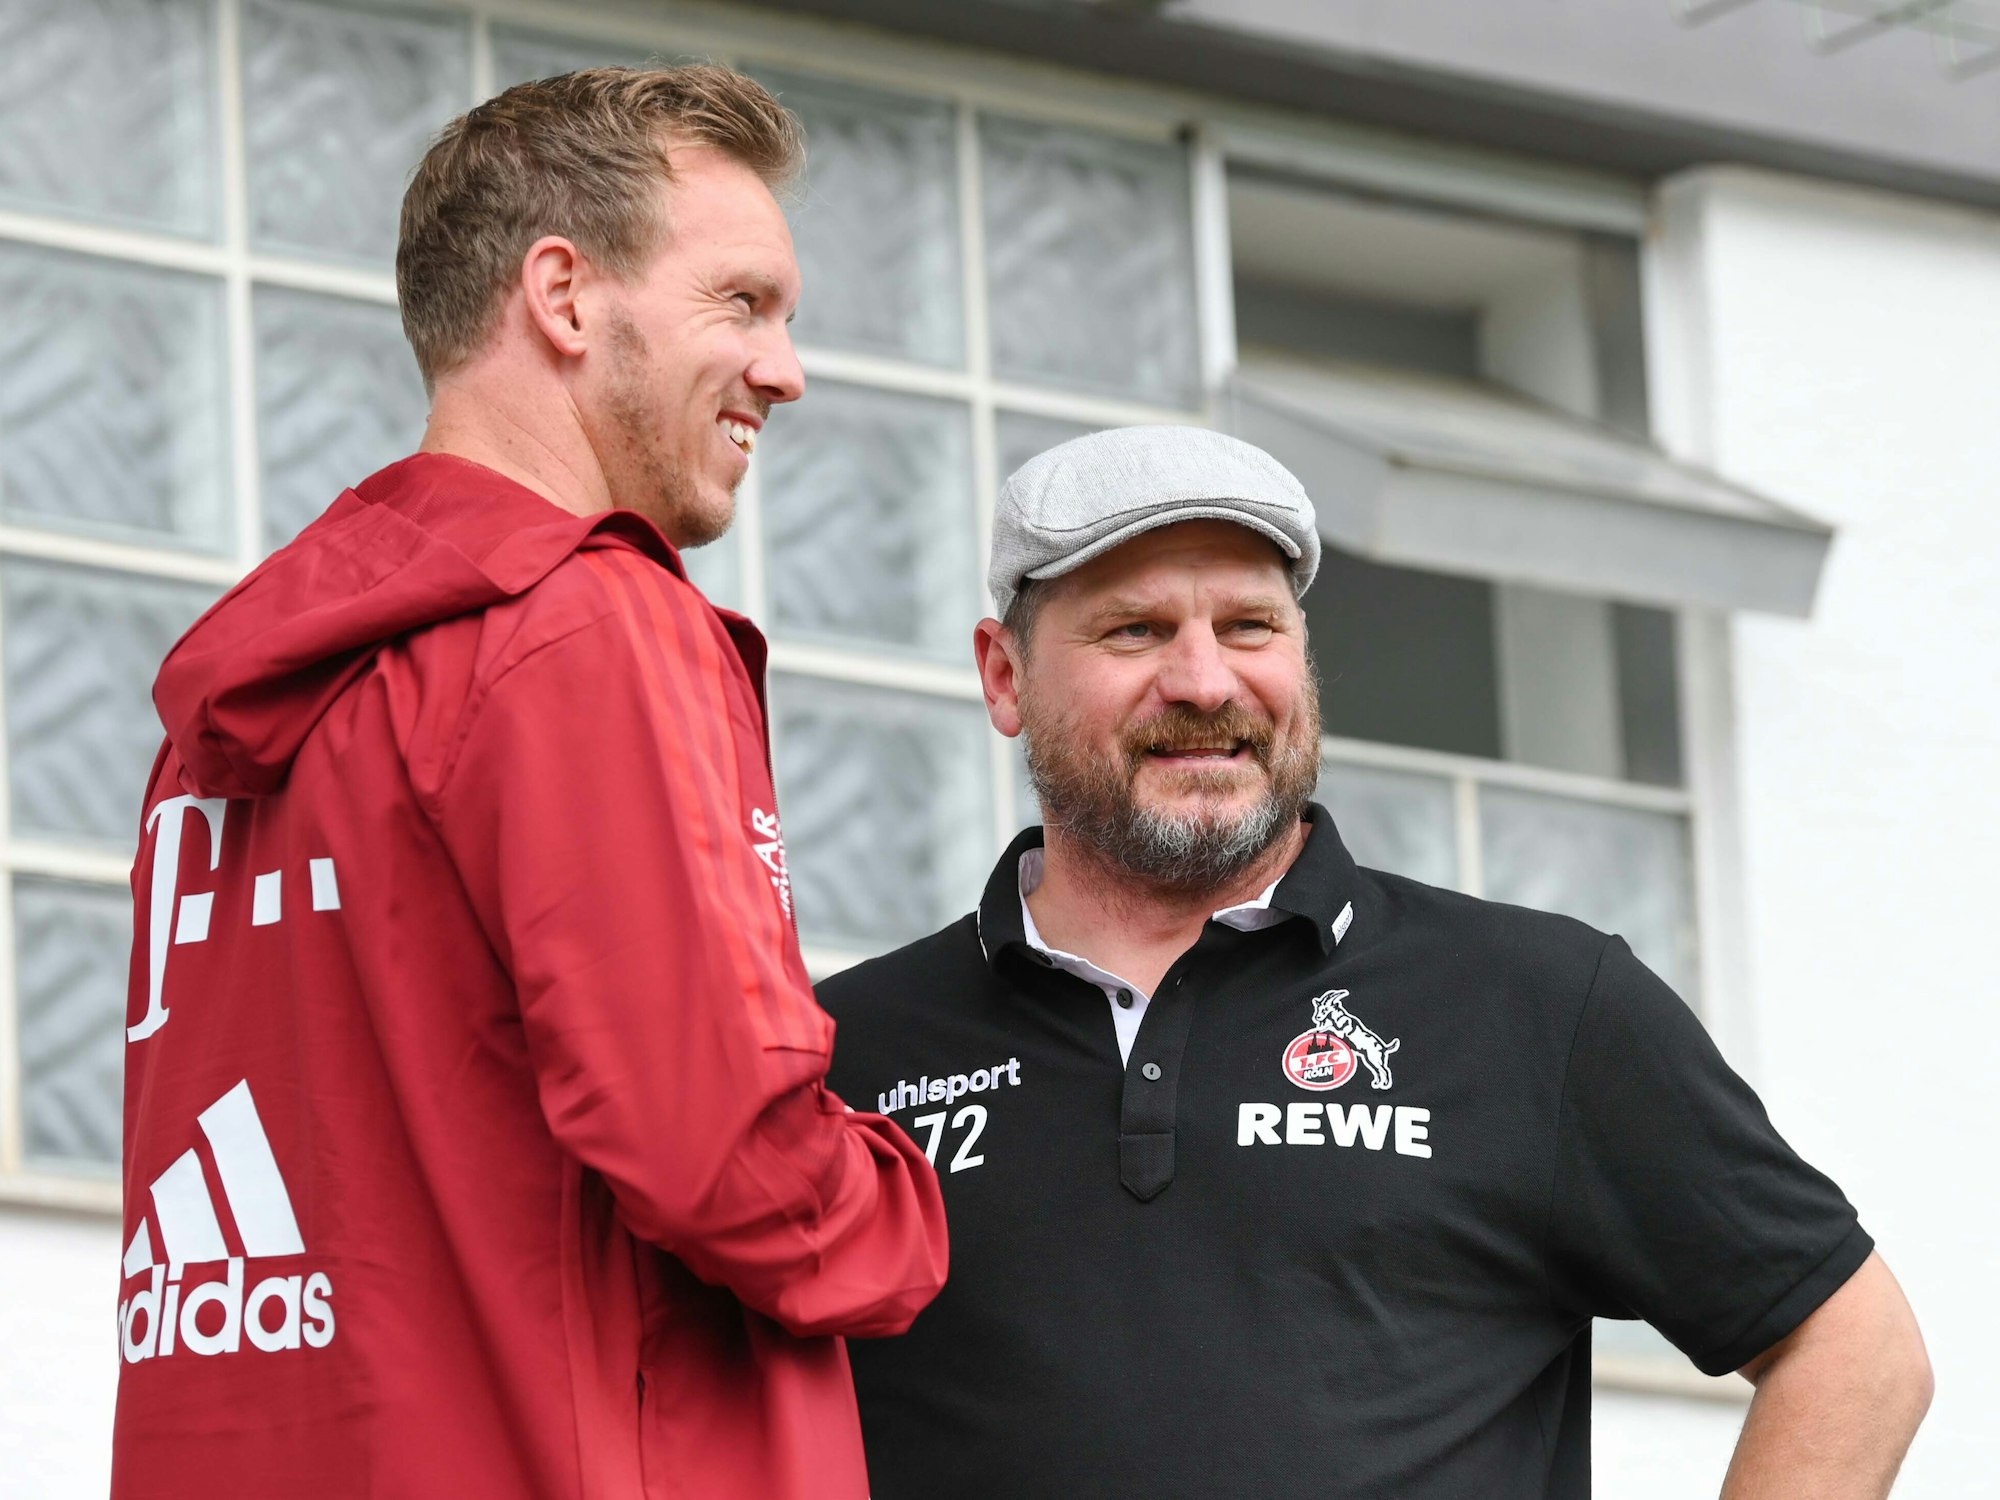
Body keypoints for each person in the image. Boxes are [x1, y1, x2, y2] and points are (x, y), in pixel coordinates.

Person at [112, 67, 947, 1500]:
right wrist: (922, 1211)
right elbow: (718, 1152)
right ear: (564, 298)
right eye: (741, 304)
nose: (786, 369)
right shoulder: (589, 625)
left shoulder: (233, 714)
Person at [821, 425, 1931, 1500]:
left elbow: (1853, 1349)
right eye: (1135, 631)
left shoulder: (1535, 1005)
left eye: (1251, 626)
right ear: (1003, 676)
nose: (1204, 682)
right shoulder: (845, 1057)